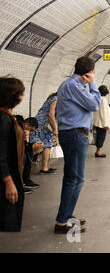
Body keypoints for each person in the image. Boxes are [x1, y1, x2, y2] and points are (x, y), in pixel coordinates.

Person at [54, 56, 101, 234]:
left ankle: (66, 215)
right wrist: (93, 84)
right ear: (87, 73)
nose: (93, 76)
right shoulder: (73, 86)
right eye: (92, 73)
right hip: (74, 135)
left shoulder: (70, 85)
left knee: (71, 177)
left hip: (72, 134)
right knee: (76, 178)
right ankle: (61, 221)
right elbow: (94, 104)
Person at [0, 77, 25, 231]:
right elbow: (0, 153)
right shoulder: (3, 119)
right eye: (20, 93)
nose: (22, 97)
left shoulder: (8, 116)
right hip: (5, 177)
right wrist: (9, 182)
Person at [29, 92, 58, 174]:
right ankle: (44, 168)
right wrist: (55, 129)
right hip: (42, 125)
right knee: (44, 145)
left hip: (43, 125)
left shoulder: (53, 99)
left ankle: (45, 167)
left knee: (47, 145)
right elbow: (51, 115)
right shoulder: (56, 99)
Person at [15, 116, 40, 194]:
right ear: (26, 124)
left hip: (15, 146)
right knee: (23, 157)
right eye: (31, 130)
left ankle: (26, 179)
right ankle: (19, 183)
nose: (31, 132)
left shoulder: (22, 128)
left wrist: (27, 142)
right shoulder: (17, 126)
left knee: (29, 151)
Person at [92, 85, 110, 158]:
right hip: (101, 123)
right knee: (101, 137)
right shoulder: (103, 100)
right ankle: (98, 152)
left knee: (99, 136)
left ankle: (98, 151)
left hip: (97, 122)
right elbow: (103, 113)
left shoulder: (96, 98)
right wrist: (105, 124)